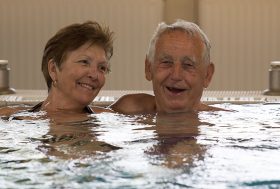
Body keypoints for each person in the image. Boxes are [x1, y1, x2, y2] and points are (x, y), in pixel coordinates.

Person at [0, 21, 114, 118]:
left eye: (102, 68)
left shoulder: (111, 119)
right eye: (84, 62)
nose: (94, 75)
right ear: (53, 69)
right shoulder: (8, 118)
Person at [110, 19, 222, 114]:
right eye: (166, 62)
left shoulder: (221, 125)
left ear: (207, 75)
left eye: (188, 65)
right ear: (148, 68)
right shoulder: (127, 111)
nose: (176, 75)